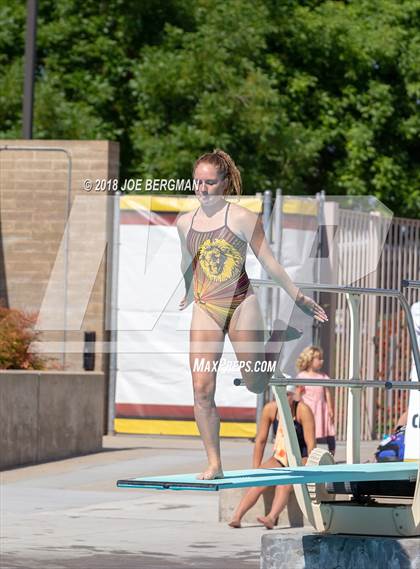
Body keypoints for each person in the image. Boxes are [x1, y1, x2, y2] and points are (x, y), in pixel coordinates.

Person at [177, 149, 328, 480]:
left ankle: (272, 344)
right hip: (206, 307)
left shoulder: (243, 218)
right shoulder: (183, 222)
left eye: (209, 183)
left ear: (225, 183)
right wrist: (188, 291)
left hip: (241, 304)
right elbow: (189, 262)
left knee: (255, 383)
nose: (202, 189)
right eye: (197, 182)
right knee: (202, 386)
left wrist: (297, 295)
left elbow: (271, 263)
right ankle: (214, 463)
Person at [228, 385, 315, 529]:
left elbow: (311, 444)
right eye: (279, 395)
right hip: (280, 456)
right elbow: (260, 441)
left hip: (302, 456)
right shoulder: (270, 409)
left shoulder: (302, 410)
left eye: (286, 394)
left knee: (284, 483)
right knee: (259, 479)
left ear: (293, 395)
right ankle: (237, 517)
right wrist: (255, 468)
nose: (283, 398)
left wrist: (306, 469)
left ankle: (271, 517)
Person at [295, 346, 336, 455]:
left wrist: (331, 408)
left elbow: (327, 393)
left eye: (321, 358)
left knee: (329, 431)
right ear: (309, 359)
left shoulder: (323, 377)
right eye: (318, 358)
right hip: (308, 409)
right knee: (308, 432)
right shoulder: (302, 376)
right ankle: (309, 453)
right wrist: (297, 408)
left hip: (321, 409)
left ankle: (331, 452)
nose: (321, 361)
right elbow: (298, 392)